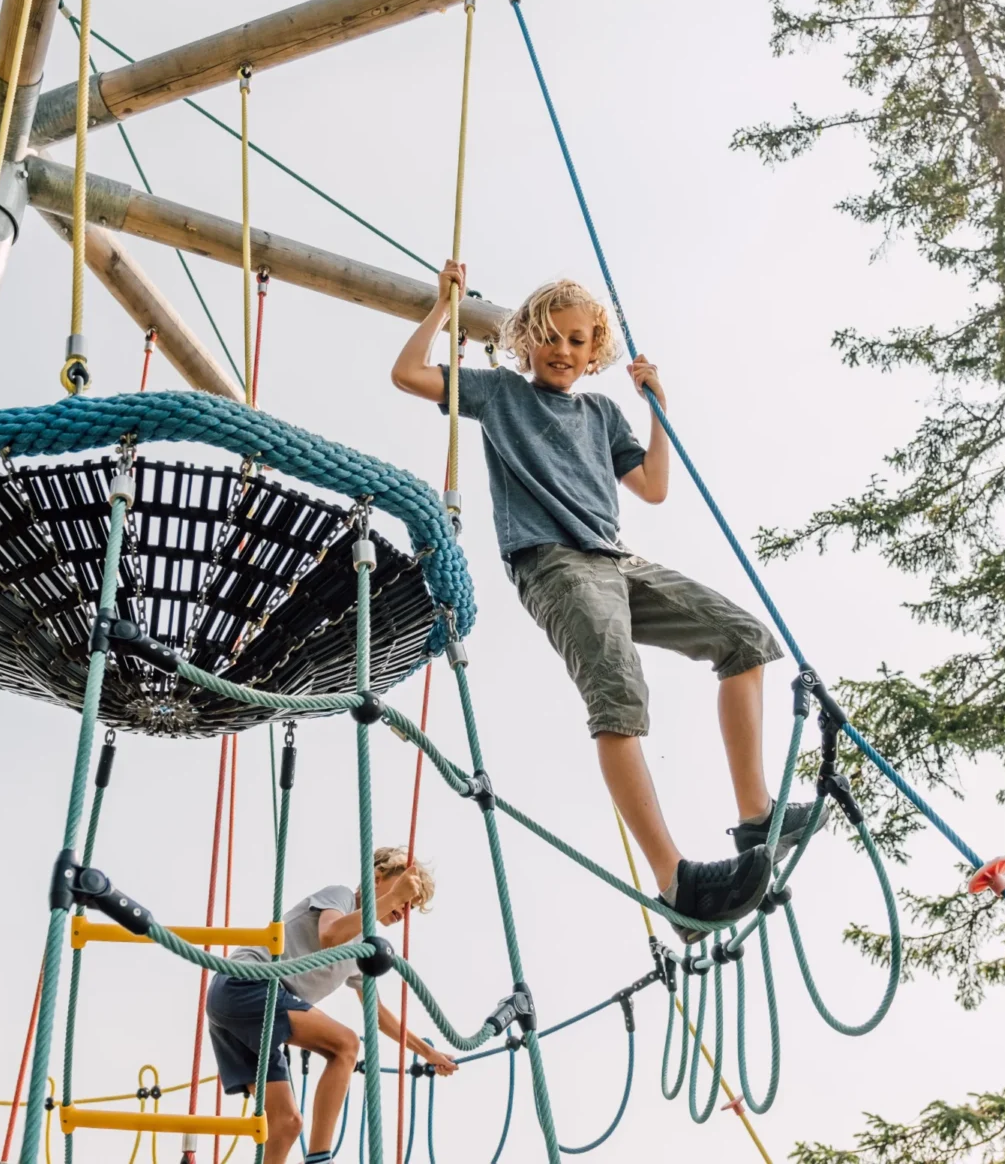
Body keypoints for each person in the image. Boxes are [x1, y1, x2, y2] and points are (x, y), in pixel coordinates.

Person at [391, 261, 828, 940]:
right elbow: (408, 376)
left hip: (617, 561)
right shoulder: (502, 395)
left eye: (577, 341)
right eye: (551, 338)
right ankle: (674, 880)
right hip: (555, 565)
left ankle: (755, 816)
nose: (563, 351)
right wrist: (444, 308)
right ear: (526, 341)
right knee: (619, 694)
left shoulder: (600, 412)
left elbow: (652, 487)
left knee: (744, 639)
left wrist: (659, 408)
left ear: (595, 353)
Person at [208, 846, 457, 1164]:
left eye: (412, 906)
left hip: (249, 1009)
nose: (405, 908)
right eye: (405, 896)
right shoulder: (341, 897)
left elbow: (378, 1015)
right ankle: (320, 1157)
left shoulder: (363, 949)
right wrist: (392, 899)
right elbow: (329, 935)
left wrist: (428, 1052)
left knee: (286, 1124)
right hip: (247, 984)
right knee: (345, 1045)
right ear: (377, 878)